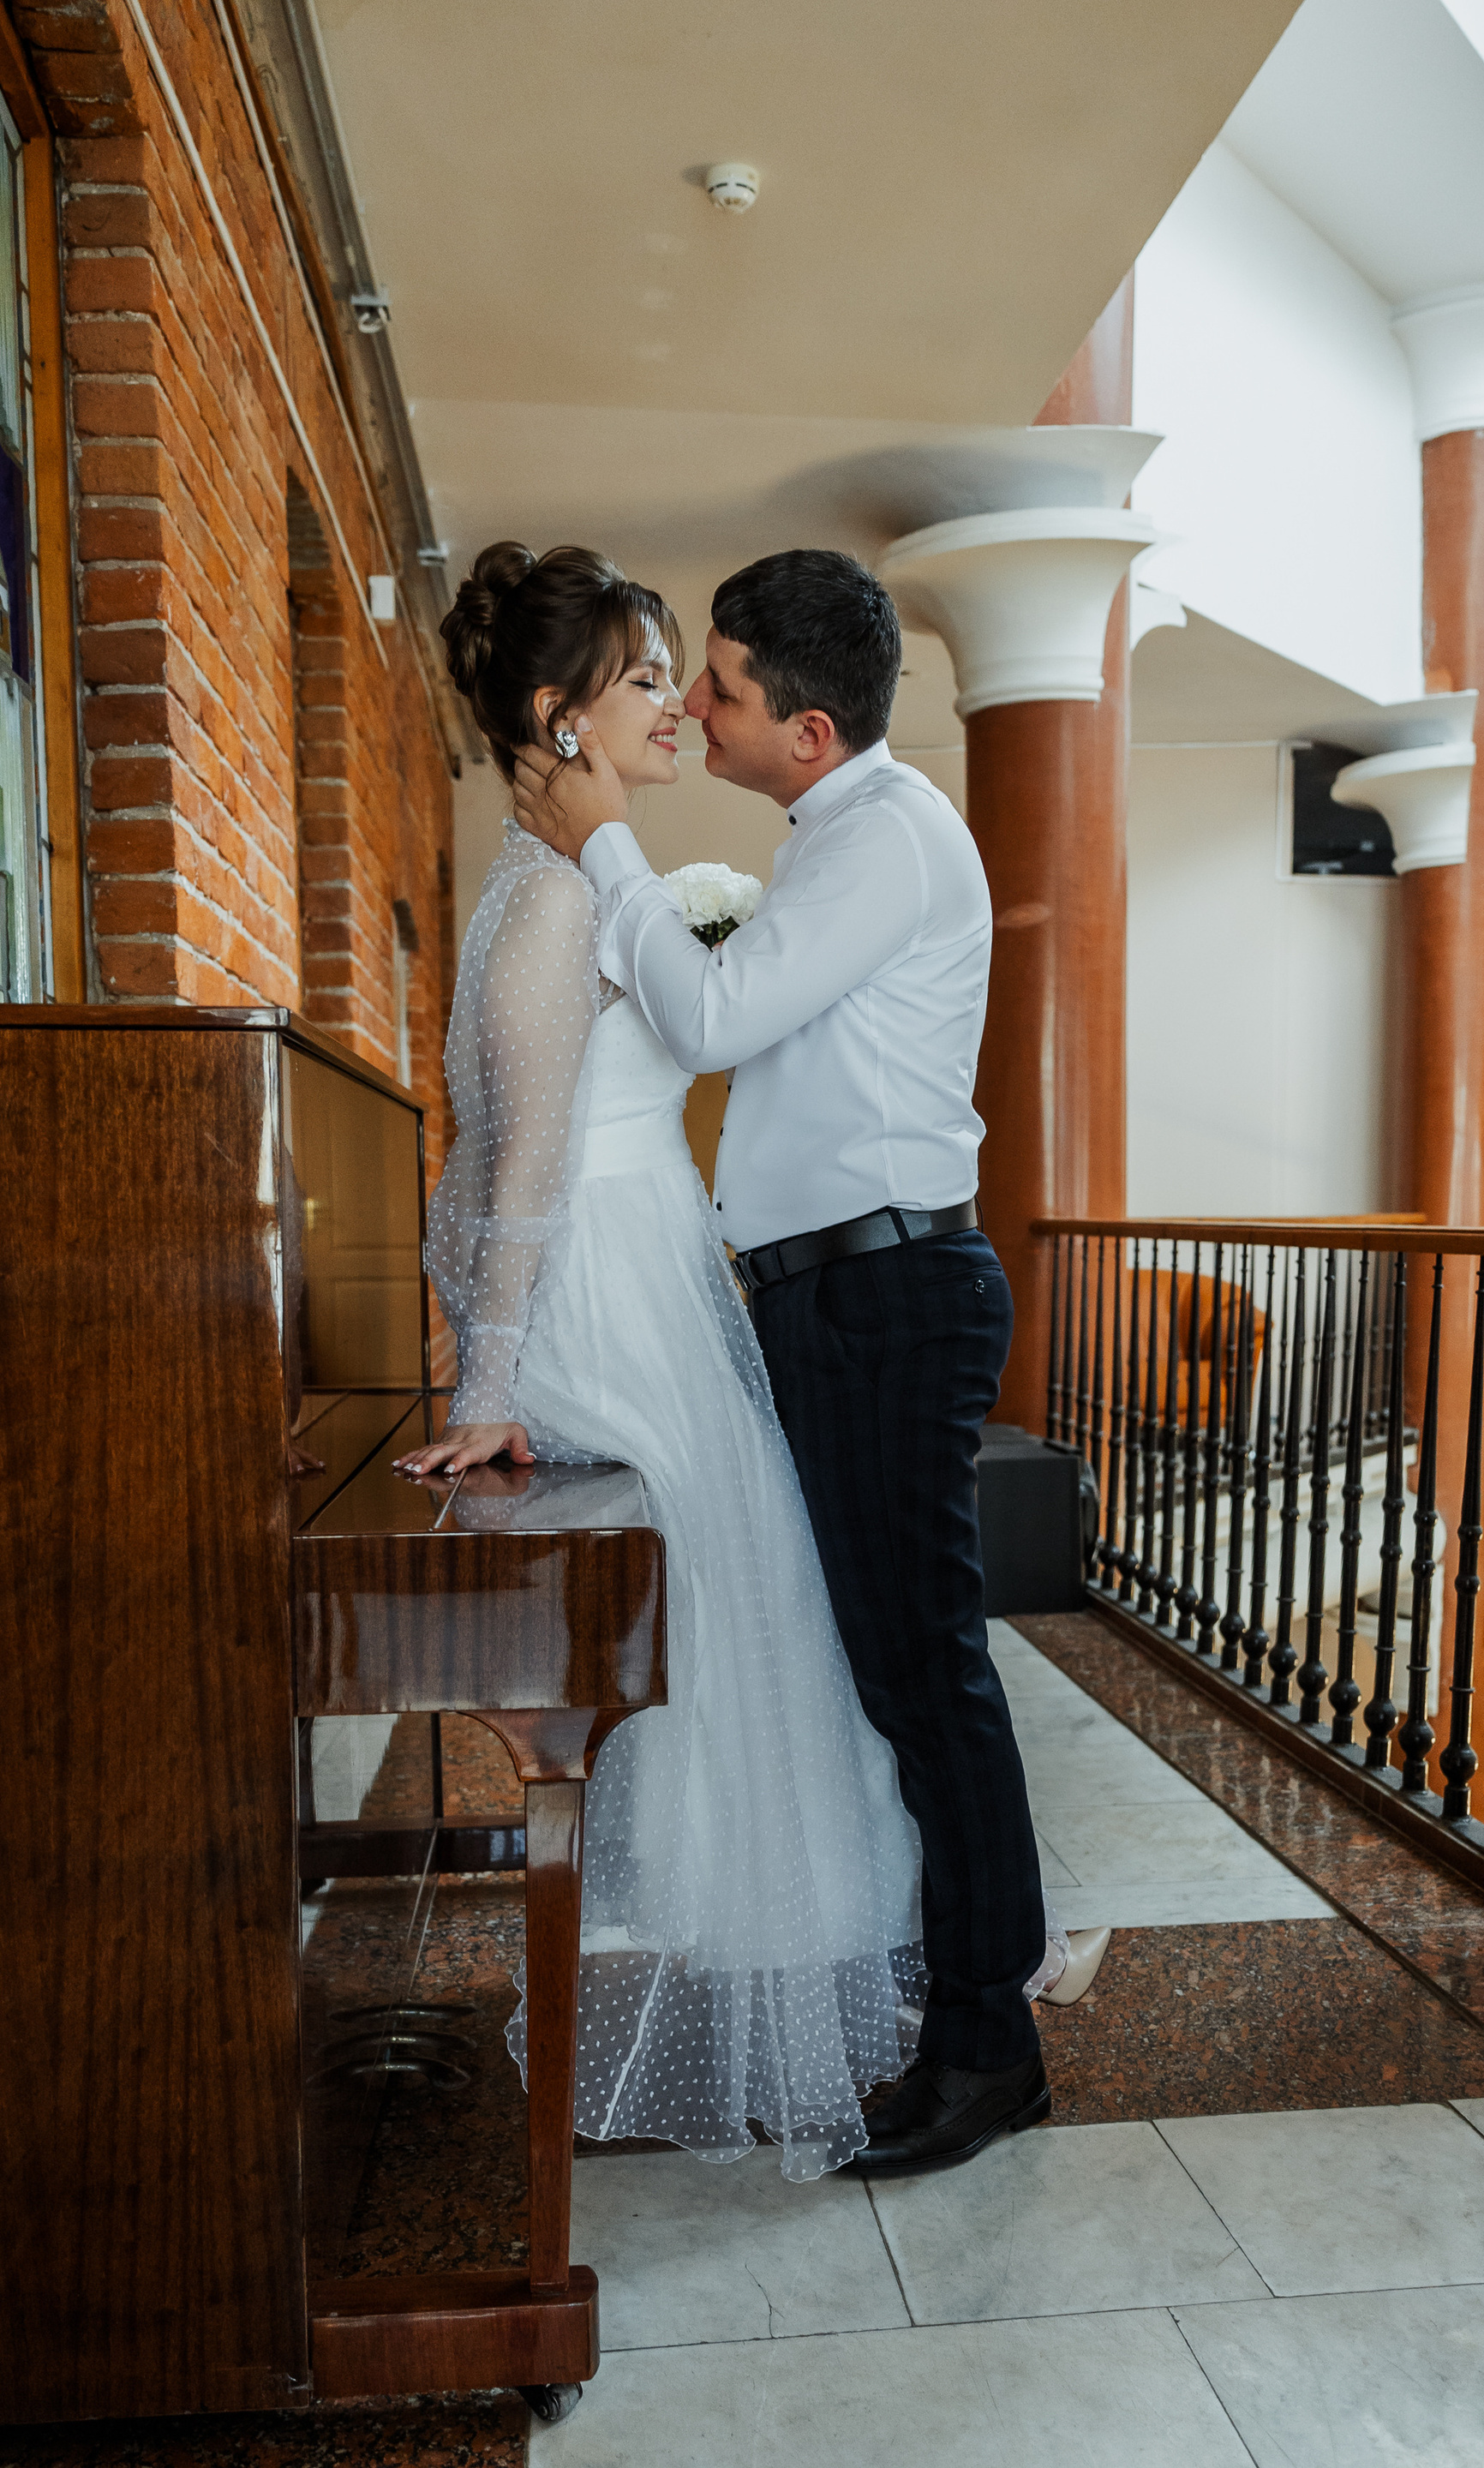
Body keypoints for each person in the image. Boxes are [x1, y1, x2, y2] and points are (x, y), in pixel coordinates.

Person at [512, 547, 1087, 2178]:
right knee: (890, 1672)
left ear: (811, 732)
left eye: (724, 686)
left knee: (927, 1675)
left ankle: (990, 2045)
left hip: (889, 1295)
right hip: (838, 1296)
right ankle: (956, 2003)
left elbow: (712, 1021)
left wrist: (607, 843)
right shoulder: (839, 835)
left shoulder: (886, 838)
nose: (696, 705)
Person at [394, 543, 925, 2181]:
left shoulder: (562, 885)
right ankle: (782, 1975)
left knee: (761, 1619)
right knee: (741, 1621)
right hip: (615, 1297)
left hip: (651, 1273)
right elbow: (522, 1159)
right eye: (643, 677)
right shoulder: (557, 901)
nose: (674, 703)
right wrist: (492, 1386)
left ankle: (808, 1963)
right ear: (562, 715)